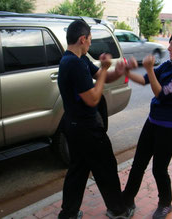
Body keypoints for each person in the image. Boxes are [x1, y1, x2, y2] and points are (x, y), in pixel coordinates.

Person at [57, 20, 135, 219]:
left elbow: (101, 75)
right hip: (86, 127)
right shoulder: (73, 63)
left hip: (75, 125)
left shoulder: (79, 59)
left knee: (79, 169)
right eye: (90, 40)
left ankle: (69, 213)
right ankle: (118, 210)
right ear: (82, 39)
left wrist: (117, 70)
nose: (90, 44)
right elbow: (92, 99)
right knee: (106, 167)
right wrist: (105, 69)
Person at [122, 31, 172, 219]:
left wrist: (149, 69)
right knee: (138, 164)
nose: (169, 48)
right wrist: (126, 71)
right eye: (169, 44)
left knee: (159, 169)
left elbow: (161, 94)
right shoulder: (168, 64)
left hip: (169, 129)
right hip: (152, 123)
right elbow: (144, 81)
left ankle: (165, 204)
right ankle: (126, 199)